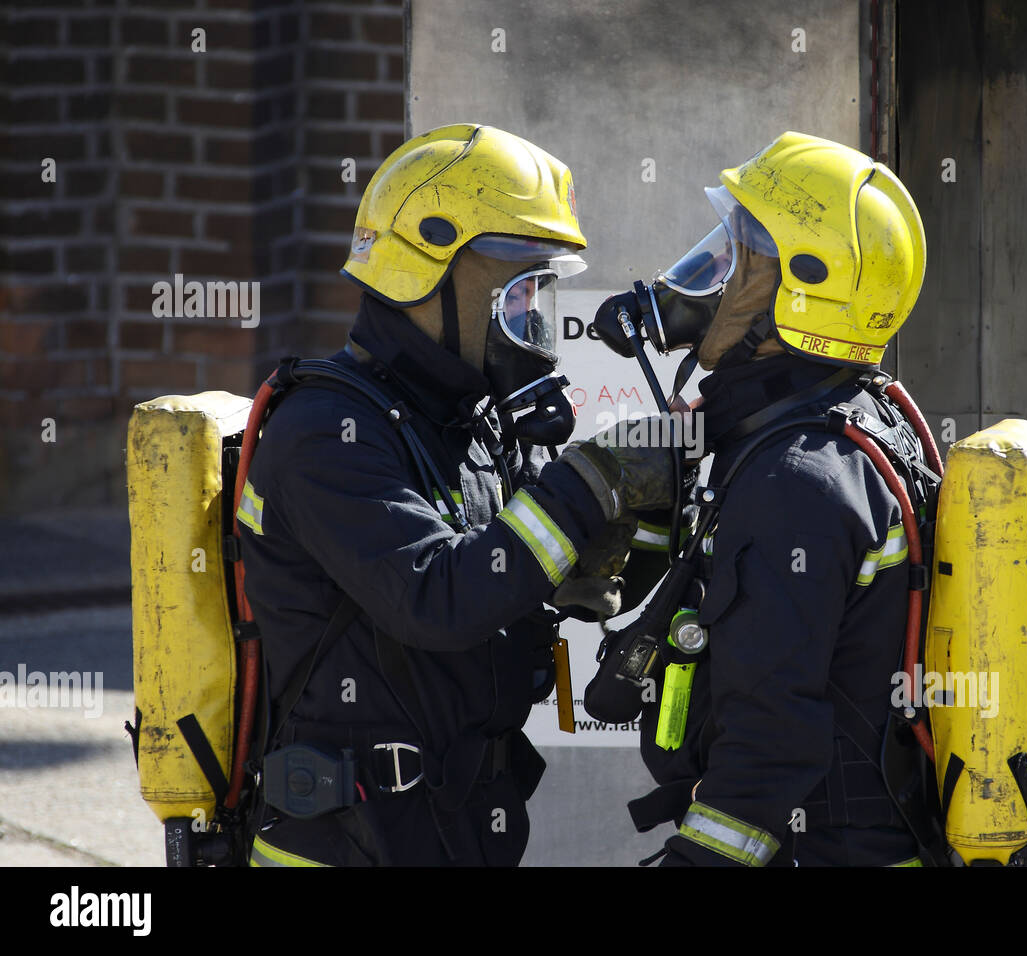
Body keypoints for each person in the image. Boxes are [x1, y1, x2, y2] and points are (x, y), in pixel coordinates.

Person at [235, 124, 675, 866]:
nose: (533, 321)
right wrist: (588, 482)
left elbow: (534, 580)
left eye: (541, 291)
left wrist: (640, 521)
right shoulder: (326, 433)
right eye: (518, 291)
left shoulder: (466, 420)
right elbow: (439, 598)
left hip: (463, 820)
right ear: (425, 271)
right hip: (349, 838)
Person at [624, 131, 935, 866]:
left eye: (736, 258)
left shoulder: (796, 480)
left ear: (801, 290)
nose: (710, 277)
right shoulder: (865, 420)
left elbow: (769, 739)